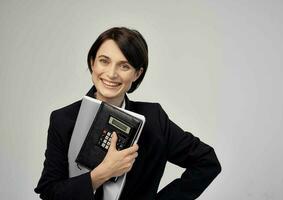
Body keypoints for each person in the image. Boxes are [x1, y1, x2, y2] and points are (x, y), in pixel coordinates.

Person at [34, 27, 221, 200]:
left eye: (124, 66)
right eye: (104, 61)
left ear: (137, 73)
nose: (112, 73)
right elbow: (49, 191)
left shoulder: (154, 120)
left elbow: (207, 162)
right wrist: (102, 174)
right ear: (92, 63)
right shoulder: (63, 119)